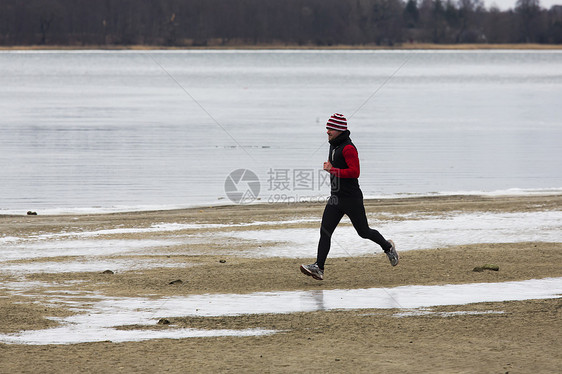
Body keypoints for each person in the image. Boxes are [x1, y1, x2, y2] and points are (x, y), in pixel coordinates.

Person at [300, 113, 398, 281]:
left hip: (352, 199)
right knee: (325, 232)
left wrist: (332, 170)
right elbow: (337, 167)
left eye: (330, 129)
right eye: (327, 128)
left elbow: (355, 172)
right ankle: (319, 268)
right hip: (335, 198)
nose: (327, 132)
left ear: (339, 130)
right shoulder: (333, 145)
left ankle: (388, 247)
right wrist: (332, 168)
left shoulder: (348, 148)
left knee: (364, 232)